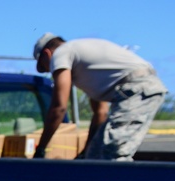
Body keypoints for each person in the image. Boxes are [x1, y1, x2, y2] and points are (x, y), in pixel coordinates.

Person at [33, 33, 167, 161]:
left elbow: (59, 108)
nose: (50, 71)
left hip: (137, 89)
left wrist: (41, 149)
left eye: (45, 67)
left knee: (114, 152)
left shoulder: (61, 53)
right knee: (94, 155)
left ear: (47, 54)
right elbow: (100, 112)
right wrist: (86, 152)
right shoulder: (84, 61)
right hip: (137, 88)